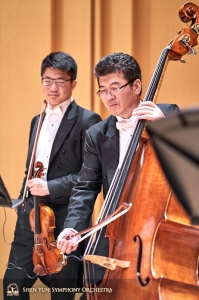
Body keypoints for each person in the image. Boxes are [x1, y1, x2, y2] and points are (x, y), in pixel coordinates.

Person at [57, 52, 181, 293]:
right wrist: (72, 227)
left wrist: (165, 128)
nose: (108, 96)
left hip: (157, 232)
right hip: (114, 234)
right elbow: (86, 186)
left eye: (115, 87)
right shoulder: (97, 134)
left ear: (136, 86)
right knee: (95, 289)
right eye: (102, 90)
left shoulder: (167, 113)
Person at [3, 51, 102, 300]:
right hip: (31, 218)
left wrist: (50, 186)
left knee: (62, 293)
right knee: (12, 288)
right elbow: (31, 170)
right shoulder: (37, 120)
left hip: (66, 219)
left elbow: (90, 176)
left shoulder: (88, 120)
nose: (53, 88)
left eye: (60, 81)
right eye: (47, 81)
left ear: (73, 83)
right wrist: (21, 200)